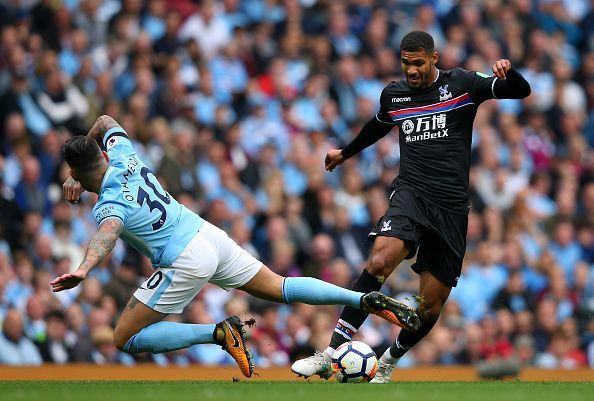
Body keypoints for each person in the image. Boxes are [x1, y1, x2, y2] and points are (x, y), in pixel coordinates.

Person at [50, 114, 420, 378]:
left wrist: (83, 269)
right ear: (101, 154)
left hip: (184, 259)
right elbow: (103, 120)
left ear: (78, 171)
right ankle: (361, 299)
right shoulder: (124, 153)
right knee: (281, 287)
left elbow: (107, 233)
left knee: (124, 338)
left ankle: (218, 333)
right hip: (206, 233)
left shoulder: (108, 203)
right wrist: (80, 165)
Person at [291, 31, 531, 383]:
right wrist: (345, 153)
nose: (412, 71)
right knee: (379, 260)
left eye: (418, 63)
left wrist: (508, 73)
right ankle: (329, 353)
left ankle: (387, 362)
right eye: (406, 64)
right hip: (411, 194)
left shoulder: (463, 84)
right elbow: (378, 125)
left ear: (434, 58)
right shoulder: (395, 95)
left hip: (451, 208)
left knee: (430, 307)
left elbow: (521, 91)